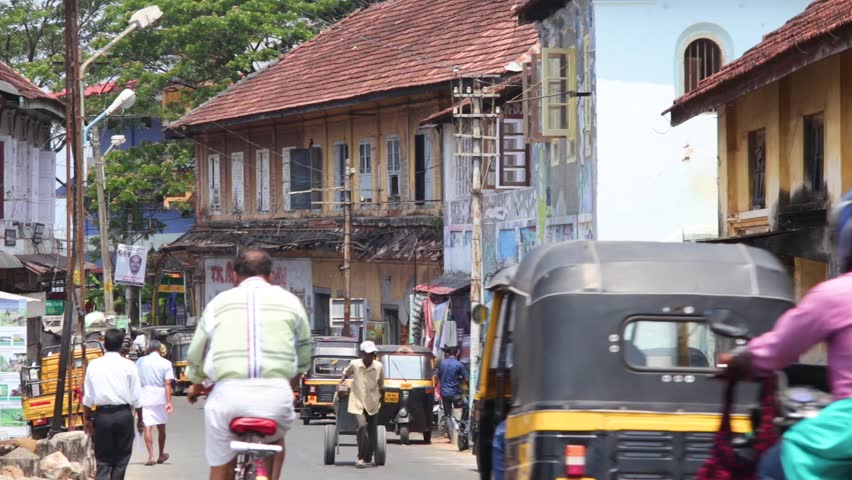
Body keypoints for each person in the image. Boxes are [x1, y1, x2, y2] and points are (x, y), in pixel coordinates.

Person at [721, 190, 852, 480]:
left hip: (847, 425)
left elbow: (778, 348)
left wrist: (739, 361)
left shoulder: (836, 294)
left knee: (776, 462)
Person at [186, 248, 312, 480]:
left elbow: (196, 351)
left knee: (219, 461)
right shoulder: (290, 302)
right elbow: (305, 351)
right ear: (271, 276)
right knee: (276, 440)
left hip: (227, 399)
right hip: (276, 398)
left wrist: (195, 382)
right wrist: (290, 384)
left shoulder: (219, 303)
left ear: (234, 275)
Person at [82, 328, 143, 480]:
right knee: (121, 459)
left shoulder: (94, 365)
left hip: (102, 417)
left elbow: (88, 397)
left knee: (102, 459)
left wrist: (86, 419)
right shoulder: (129, 366)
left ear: (104, 344)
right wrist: (140, 420)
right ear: (121, 345)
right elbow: (137, 398)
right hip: (123, 416)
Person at [338, 341, 384, 468]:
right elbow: (345, 373)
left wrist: (382, 398)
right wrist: (340, 383)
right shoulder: (355, 364)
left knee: (372, 432)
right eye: (368, 354)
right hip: (357, 402)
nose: (370, 356)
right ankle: (361, 456)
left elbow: (381, 384)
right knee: (362, 426)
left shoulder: (379, 366)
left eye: (372, 354)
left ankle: (368, 456)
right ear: (363, 354)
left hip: (373, 403)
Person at [135, 339, 174, 466]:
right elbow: (167, 383)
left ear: (149, 349)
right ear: (159, 349)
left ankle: (151, 456)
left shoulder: (140, 361)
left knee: (148, 427)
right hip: (160, 396)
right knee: (161, 427)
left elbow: (137, 381)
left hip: (145, 394)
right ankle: (161, 454)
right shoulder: (166, 363)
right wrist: (169, 402)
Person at [437, 345, 468, 433]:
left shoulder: (442, 363)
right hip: (454, 393)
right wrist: (469, 388)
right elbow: (466, 379)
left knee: (447, 414)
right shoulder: (459, 364)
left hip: (444, 393)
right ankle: (461, 428)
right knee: (465, 407)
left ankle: (449, 431)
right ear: (457, 353)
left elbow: (438, 377)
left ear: (447, 354)